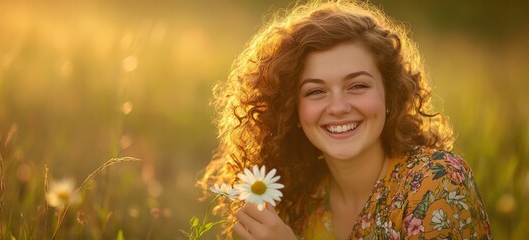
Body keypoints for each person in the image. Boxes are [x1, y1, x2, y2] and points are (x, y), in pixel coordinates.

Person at [198, 0, 492, 239]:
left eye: (357, 86)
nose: (337, 107)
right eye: (315, 91)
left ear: (389, 96)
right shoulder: (297, 201)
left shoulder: (437, 181)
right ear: (292, 111)